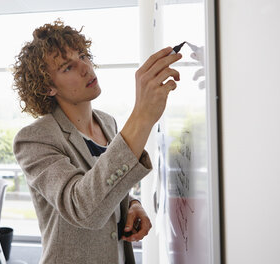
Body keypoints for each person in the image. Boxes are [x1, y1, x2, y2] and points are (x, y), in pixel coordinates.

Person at [12, 20, 181, 263]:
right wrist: (142, 116)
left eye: (82, 55)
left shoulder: (107, 122)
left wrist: (131, 204)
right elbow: (82, 208)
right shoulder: (34, 139)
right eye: (68, 67)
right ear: (48, 87)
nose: (85, 68)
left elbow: (109, 182)